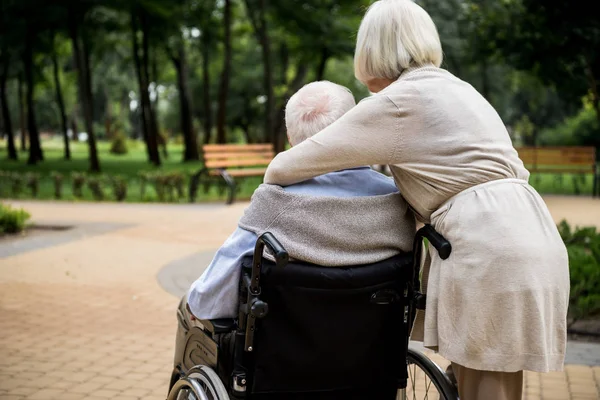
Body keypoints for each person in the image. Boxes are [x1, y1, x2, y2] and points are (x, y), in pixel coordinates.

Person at [263, 1, 570, 400]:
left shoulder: (398, 103)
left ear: (372, 49)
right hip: (531, 231)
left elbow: (286, 166)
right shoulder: (459, 90)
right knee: (497, 375)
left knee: (485, 382)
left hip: (488, 244)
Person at [178, 80, 415, 328]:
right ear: (355, 128)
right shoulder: (396, 197)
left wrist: (192, 301)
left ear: (291, 139)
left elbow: (209, 298)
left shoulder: (276, 203)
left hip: (286, 356)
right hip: (375, 351)